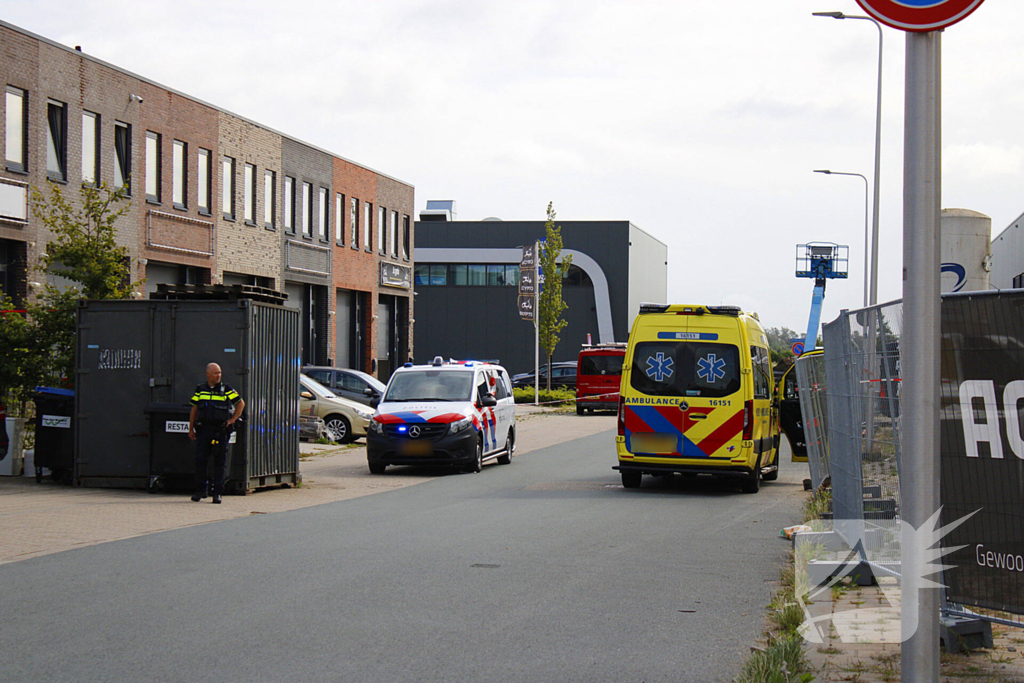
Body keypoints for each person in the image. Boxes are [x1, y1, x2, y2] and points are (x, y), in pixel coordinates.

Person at [188, 362, 244, 504]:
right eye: (215, 373)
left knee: (220, 463)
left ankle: (217, 493)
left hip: (220, 431)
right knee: (200, 461)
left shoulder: (226, 389)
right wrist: (191, 428)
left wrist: (232, 420)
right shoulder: (201, 389)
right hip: (204, 430)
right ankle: (201, 490)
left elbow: (240, 403)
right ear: (208, 374)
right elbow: (194, 409)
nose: (218, 376)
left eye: (219, 373)